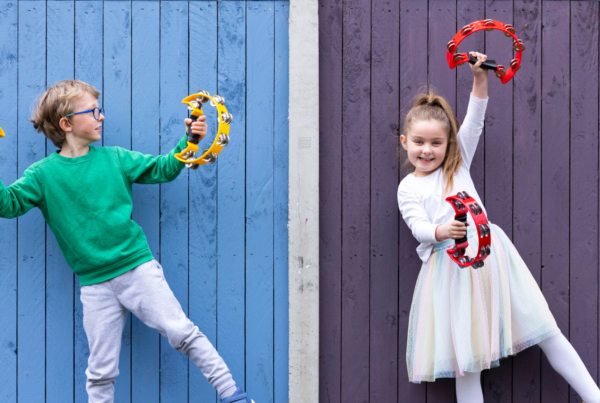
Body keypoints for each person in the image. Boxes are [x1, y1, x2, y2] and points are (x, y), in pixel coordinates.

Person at [0, 79, 254, 403]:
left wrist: (189, 142)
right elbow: (6, 204)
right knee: (101, 370)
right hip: (95, 285)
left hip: (137, 269)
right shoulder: (42, 175)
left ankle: (233, 395)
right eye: (94, 111)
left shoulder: (115, 158)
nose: (101, 117)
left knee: (181, 332)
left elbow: (163, 168)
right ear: (66, 124)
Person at [397, 52, 600, 403]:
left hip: (493, 263)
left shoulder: (456, 168)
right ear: (405, 142)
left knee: (546, 329)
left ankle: (594, 395)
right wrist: (440, 232)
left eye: (436, 143)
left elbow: (475, 119)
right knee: (468, 362)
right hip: (453, 273)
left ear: (448, 145)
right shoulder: (409, 187)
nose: (427, 150)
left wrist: (480, 77)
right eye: (419, 142)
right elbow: (418, 226)